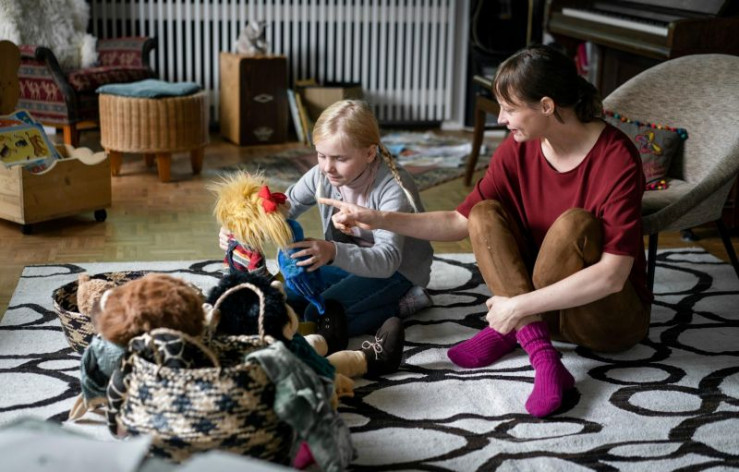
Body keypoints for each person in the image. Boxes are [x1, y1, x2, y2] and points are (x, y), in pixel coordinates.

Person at [320, 44, 652, 418]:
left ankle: (517, 327)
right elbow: (458, 222)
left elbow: (612, 276)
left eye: (509, 108)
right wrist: (377, 218)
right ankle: (542, 353)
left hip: (606, 322)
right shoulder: (518, 148)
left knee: (573, 224)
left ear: (546, 106)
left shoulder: (617, 156)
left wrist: (517, 306)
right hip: (547, 311)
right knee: (482, 213)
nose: (500, 118)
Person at [219, 99, 434, 375]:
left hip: (397, 269)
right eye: (321, 155)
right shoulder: (321, 175)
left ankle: (403, 303)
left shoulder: (392, 189)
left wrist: (332, 252)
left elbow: (387, 260)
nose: (327, 167)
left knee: (318, 314)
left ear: (370, 153)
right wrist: (240, 230)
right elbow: (283, 209)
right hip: (347, 259)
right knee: (287, 297)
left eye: (340, 159)